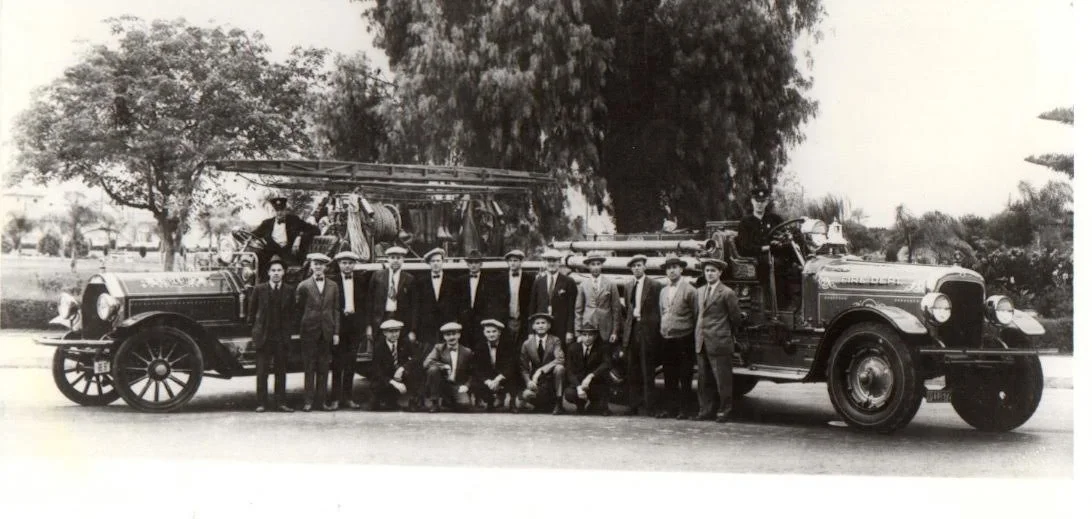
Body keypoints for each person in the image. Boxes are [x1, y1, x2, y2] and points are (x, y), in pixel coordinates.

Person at [693, 258, 742, 423]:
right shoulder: (699, 291)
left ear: (720, 273)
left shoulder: (727, 293)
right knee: (703, 379)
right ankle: (705, 410)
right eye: (707, 270)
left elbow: (735, 319)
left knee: (723, 380)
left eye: (713, 270)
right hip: (702, 341)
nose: (709, 273)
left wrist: (725, 334)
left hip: (719, 341)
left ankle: (724, 411)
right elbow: (697, 315)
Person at [247, 255, 295, 413]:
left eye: (279, 270)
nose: (276, 273)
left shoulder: (289, 290)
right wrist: (256, 333)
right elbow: (251, 314)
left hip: (281, 338)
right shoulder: (259, 289)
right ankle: (261, 403)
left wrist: (287, 334)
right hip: (264, 337)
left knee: (281, 372)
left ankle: (281, 403)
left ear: (284, 273)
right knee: (262, 372)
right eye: (273, 270)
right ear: (268, 272)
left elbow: (293, 314)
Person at [295, 252, 340, 412]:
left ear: (326, 267)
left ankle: (322, 402)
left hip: (326, 331)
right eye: (315, 264)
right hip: (309, 332)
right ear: (311, 266)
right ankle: (308, 401)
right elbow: (298, 309)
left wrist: (336, 333)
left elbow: (335, 310)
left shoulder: (333, 286)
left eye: (321, 264)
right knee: (309, 367)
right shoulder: (303, 286)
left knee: (324, 367)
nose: (318, 267)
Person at [620, 254, 663, 416]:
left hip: (647, 331)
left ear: (645, 267)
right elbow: (628, 311)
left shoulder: (655, 285)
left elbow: (659, 311)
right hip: (633, 331)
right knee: (632, 370)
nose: (636, 268)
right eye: (633, 266)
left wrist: (654, 332)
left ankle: (650, 405)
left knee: (648, 370)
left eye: (639, 265)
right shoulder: (628, 285)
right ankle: (633, 405)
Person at [736, 184, 789, 310]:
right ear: (752, 201)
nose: (759, 204)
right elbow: (744, 247)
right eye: (757, 201)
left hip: (776, 256)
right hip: (756, 260)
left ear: (767, 202)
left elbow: (784, 234)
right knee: (776, 266)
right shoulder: (745, 222)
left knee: (792, 263)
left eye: (763, 201)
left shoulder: (775, 219)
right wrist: (764, 248)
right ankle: (775, 308)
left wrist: (781, 242)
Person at [658, 254, 699, 419]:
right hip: (667, 338)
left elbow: (696, 315)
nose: (671, 271)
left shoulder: (690, 290)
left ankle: (685, 409)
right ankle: (670, 409)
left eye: (674, 267)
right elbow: (662, 313)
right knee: (669, 375)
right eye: (668, 268)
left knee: (685, 375)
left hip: (684, 338)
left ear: (681, 269)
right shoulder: (663, 291)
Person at [329, 251, 365, 410]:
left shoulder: (361, 280)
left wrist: (363, 324)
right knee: (337, 363)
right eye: (344, 263)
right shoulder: (333, 281)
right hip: (339, 325)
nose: (347, 266)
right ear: (339, 264)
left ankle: (348, 398)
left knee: (351, 362)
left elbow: (366, 303)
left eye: (350, 263)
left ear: (354, 264)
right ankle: (335, 398)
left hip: (355, 325)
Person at [412, 248, 464, 348]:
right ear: (429, 263)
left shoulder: (452, 282)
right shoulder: (421, 282)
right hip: (427, 327)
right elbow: (416, 306)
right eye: (433, 261)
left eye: (438, 260)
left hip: (447, 326)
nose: (436, 263)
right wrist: (415, 329)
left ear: (443, 262)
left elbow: (457, 306)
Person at [252, 196, 321, 272]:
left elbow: (316, 230)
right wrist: (238, 230)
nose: (279, 213)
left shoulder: (294, 220)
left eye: (281, 210)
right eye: (276, 210)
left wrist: (299, 237)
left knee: (291, 270)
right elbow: (254, 234)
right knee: (256, 261)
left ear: (285, 210)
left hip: (288, 252)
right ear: (273, 211)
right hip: (270, 252)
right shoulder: (267, 223)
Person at [364, 246, 416, 346]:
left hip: (401, 320)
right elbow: (369, 302)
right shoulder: (377, 276)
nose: (395, 261)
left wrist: (412, 330)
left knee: (401, 351)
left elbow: (414, 306)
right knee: (380, 350)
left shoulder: (409, 279)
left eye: (398, 258)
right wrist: (369, 326)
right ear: (388, 259)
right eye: (392, 258)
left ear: (403, 260)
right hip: (380, 319)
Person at [368, 320, 422, 412]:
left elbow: (416, 357)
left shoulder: (405, 342)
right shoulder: (379, 347)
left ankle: (414, 401)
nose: (394, 334)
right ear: (385, 333)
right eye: (391, 331)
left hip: (400, 374)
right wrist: (394, 383)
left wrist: (402, 368)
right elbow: (376, 371)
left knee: (416, 371)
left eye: (397, 331)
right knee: (376, 388)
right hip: (386, 377)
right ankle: (385, 400)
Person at [518, 313, 567, 414]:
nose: (540, 325)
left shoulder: (555, 340)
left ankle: (559, 402)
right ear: (533, 326)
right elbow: (523, 367)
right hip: (537, 381)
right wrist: (528, 381)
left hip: (551, 378)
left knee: (559, 368)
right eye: (537, 323)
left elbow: (560, 358)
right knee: (526, 395)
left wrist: (541, 370)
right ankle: (542, 404)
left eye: (543, 323)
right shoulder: (527, 343)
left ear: (549, 326)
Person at [423, 322, 476, 412]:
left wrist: (466, 386)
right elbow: (427, 362)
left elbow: (472, 372)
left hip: (457, 385)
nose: (451, 337)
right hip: (442, 384)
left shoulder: (467, 352)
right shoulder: (439, 348)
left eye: (454, 334)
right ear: (444, 337)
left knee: (464, 406)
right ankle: (435, 403)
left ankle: (449, 401)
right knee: (433, 370)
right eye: (448, 335)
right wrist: (443, 366)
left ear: (459, 335)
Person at [470, 319, 521, 412]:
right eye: (488, 332)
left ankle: (512, 402)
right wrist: (487, 381)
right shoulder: (480, 346)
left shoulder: (508, 345)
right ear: (484, 333)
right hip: (489, 377)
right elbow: (477, 368)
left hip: (503, 376)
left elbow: (511, 365)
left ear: (499, 333)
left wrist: (498, 379)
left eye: (494, 331)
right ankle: (489, 401)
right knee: (475, 381)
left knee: (515, 376)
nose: (491, 334)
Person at [573, 252, 622, 347]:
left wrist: (615, 332)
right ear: (588, 266)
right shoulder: (583, 285)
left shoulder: (610, 284)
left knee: (605, 354)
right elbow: (578, 310)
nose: (595, 267)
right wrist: (578, 333)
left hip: (606, 328)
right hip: (588, 327)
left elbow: (616, 310)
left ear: (601, 266)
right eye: (593, 264)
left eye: (598, 264)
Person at [529, 249, 577, 345]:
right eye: (548, 261)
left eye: (554, 261)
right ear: (545, 263)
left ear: (559, 262)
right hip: (542, 327)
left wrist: (570, 331)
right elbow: (532, 307)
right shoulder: (538, 282)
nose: (551, 264)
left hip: (561, 327)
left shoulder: (568, 282)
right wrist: (531, 331)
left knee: (560, 354)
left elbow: (572, 309)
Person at [564, 324, 612, 415]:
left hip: (596, 383)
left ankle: (597, 404)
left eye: (590, 335)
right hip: (579, 382)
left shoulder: (602, 348)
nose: (587, 338)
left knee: (599, 409)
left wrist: (591, 376)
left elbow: (607, 363)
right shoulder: (573, 348)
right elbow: (569, 370)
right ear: (580, 336)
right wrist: (578, 387)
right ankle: (580, 405)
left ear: (595, 336)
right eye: (584, 335)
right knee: (569, 393)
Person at [459, 250, 493, 342]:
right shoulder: (461, 281)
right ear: (467, 264)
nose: (473, 265)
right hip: (465, 322)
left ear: (481, 264)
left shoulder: (488, 281)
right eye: (471, 262)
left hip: (482, 322)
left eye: (476, 262)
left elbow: (491, 304)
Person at [500, 249, 534, 343]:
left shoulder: (529, 279)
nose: (512, 263)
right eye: (510, 261)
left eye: (515, 260)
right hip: (507, 320)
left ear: (521, 261)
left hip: (523, 320)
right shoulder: (501, 279)